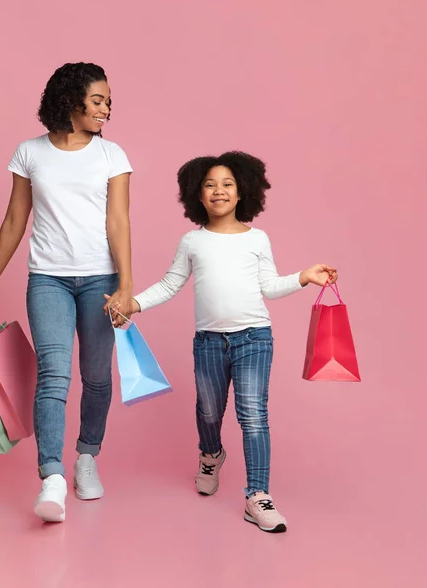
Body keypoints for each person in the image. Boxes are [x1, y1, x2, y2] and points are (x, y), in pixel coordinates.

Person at [114, 151, 337, 533]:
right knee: (209, 412)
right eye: (210, 185)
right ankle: (211, 453)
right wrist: (133, 304)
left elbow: (269, 286)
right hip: (209, 343)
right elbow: (170, 285)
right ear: (197, 196)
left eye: (227, 184)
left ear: (242, 192)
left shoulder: (257, 239)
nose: (219, 190)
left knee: (253, 415)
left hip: (255, 339)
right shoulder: (192, 242)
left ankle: (258, 495)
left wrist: (304, 275)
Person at [0, 62, 134, 523]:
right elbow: (13, 220)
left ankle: (86, 457)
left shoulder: (112, 156)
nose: (107, 109)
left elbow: (119, 222)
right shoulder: (30, 153)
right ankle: (52, 478)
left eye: (109, 101)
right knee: (54, 374)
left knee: (97, 376)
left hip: (101, 281)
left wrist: (125, 285)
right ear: (71, 100)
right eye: (99, 100)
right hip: (47, 279)